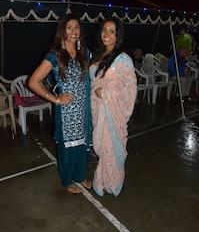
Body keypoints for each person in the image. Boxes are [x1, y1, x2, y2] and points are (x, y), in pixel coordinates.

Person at [29, 13, 92, 194]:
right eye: (69, 27)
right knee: (68, 147)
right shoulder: (54, 56)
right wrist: (56, 99)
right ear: (62, 31)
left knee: (83, 144)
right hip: (67, 110)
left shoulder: (84, 53)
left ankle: (80, 176)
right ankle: (67, 181)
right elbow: (33, 82)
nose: (74, 31)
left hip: (84, 108)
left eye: (77, 27)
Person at [89, 17, 137, 196]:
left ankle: (113, 183)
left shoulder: (123, 60)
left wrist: (107, 94)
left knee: (111, 148)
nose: (107, 34)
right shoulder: (97, 55)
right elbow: (93, 83)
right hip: (98, 111)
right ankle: (102, 180)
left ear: (118, 35)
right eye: (104, 30)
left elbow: (130, 91)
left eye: (112, 31)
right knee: (101, 148)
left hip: (113, 113)